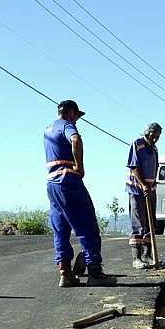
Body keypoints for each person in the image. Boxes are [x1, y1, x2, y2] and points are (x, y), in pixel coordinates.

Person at [44, 100, 115, 287]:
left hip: (52, 183)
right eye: (77, 116)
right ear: (71, 113)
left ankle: (65, 273)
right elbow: (75, 139)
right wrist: (80, 166)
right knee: (87, 225)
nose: (77, 120)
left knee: (60, 229)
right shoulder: (67, 125)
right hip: (68, 180)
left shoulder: (48, 129)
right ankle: (95, 272)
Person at [126, 122, 162, 269]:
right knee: (139, 222)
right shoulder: (138, 144)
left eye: (158, 135)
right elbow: (134, 167)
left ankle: (147, 255)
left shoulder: (154, 149)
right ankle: (136, 258)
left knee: (150, 222)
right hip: (136, 189)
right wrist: (142, 185)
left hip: (150, 189)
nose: (155, 137)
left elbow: (156, 167)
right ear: (148, 132)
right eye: (153, 134)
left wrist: (151, 186)